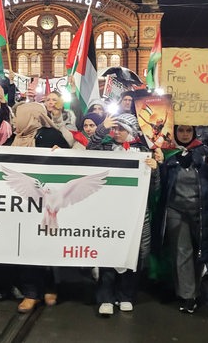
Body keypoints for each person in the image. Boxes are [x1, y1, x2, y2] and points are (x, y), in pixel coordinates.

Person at [86, 113, 161, 316]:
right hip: (110, 210)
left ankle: (126, 295)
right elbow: (89, 151)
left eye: (121, 129)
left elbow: (154, 189)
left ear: (131, 131)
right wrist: (102, 128)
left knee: (133, 254)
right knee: (109, 251)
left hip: (135, 212)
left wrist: (155, 170)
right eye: (114, 129)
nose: (116, 132)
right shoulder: (105, 147)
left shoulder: (144, 151)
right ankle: (105, 297)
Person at [10, 102, 70, 313]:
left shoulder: (50, 136)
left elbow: (71, 163)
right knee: (26, 248)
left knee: (47, 246)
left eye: (18, 116)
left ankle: (50, 286)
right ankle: (31, 292)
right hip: (23, 205)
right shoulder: (16, 138)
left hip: (46, 203)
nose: (15, 120)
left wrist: (61, 153)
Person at [159, 124, 208, 314]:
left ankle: (194, 285)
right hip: (176, 210)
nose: (185, 134)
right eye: (181, 130)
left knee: (200, 252)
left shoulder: (204, 151)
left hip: (202, 210)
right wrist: (158, 164)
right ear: (175, 132)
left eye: (188, 131)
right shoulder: (166, 152)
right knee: (182, 252)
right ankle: (188, 295)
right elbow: (160, 182)